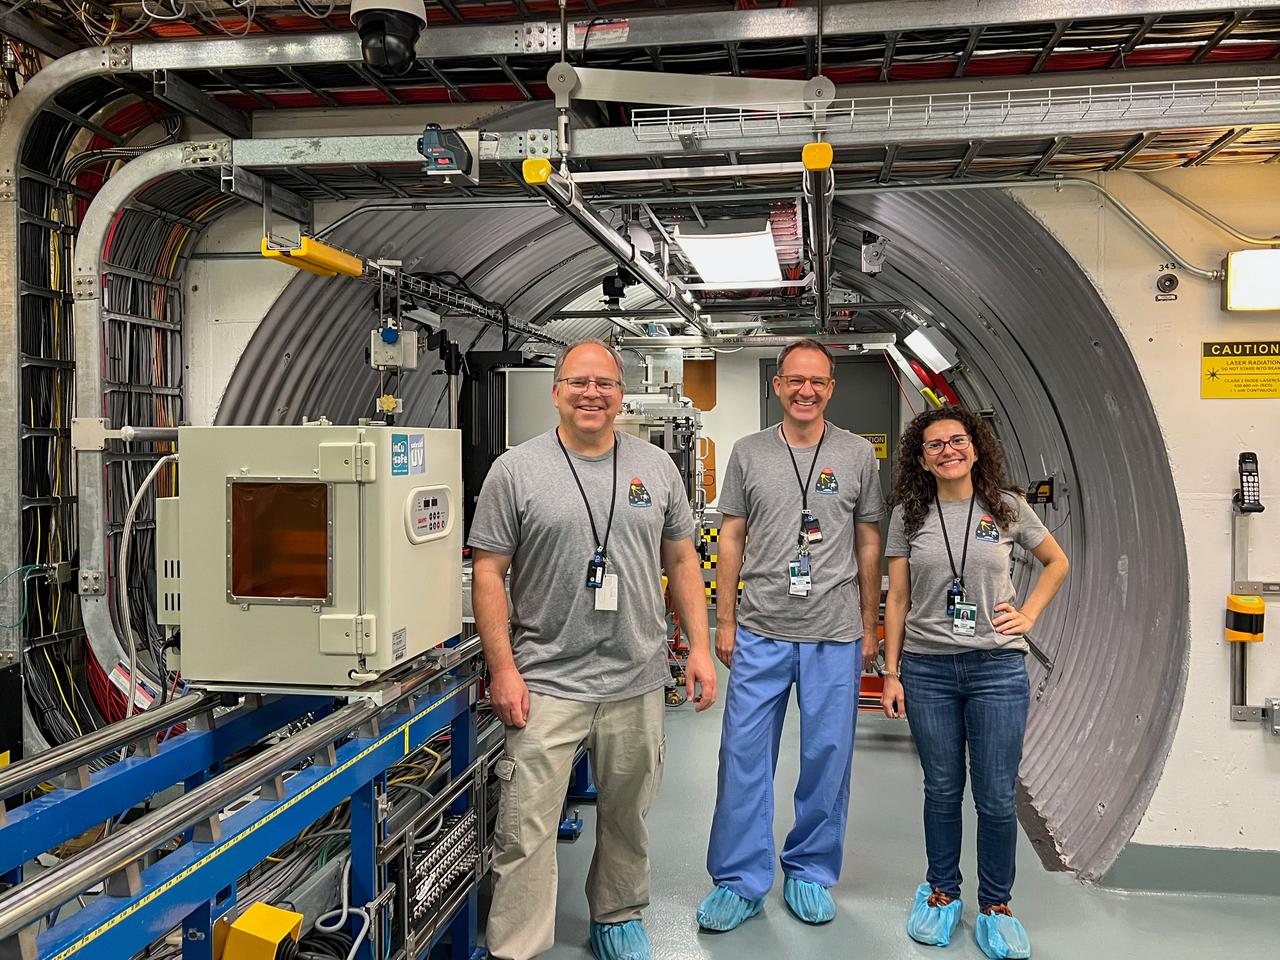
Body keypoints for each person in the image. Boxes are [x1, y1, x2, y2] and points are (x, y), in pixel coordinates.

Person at [469, 339, 717, 960]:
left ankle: (617, 912)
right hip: (547, 676)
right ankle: (517, 942)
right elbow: (487, 570)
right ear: (556, 392)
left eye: (604, 383)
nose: (592, 393)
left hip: (636, 673)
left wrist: (701, 649)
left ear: (621, 395)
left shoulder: (655, 467)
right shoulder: (516, 470)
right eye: (578, 382)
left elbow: (683, 558)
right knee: (526, 826)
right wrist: (503, 668)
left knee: (628, 813)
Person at [697, 339, 885, 932]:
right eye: (794, 380)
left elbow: (869, 542)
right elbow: (730, 538)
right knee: (743, 756)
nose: (806, 391)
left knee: (827, 757)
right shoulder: (749, 453)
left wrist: (871, 624)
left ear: (832, 389)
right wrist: (724, 620)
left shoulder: (857, 455)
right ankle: (739, 879)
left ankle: (808, 870)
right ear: (776, 385)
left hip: (834, 633)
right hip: (761, 630)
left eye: (818, 382)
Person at [881, 406, 1069, 960]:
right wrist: (890, 673)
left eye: (956, 441)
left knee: (994, 796)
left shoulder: (1006, 507)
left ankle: (996, 905)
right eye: (934, 445)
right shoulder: (908, 516)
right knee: (940, 790)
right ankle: (941, 893)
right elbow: (897, 598)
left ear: (975, 447)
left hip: (996, 669)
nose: (947, 451)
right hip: (927, 668)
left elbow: (1056, 562)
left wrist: (1029, 614)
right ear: (922, 459)